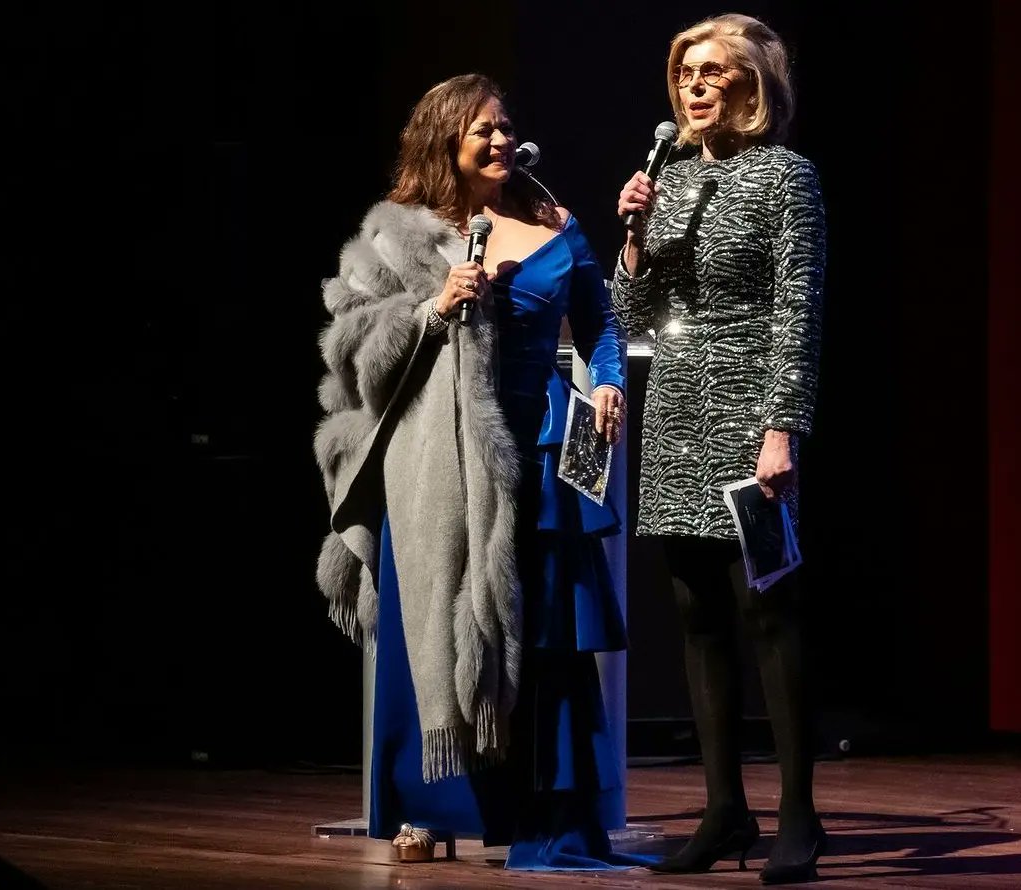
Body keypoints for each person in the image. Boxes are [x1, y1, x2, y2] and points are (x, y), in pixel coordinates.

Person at [313, 73, 648, 871]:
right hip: (437, 463)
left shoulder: (553, 223)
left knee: (537, 637)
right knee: (433, 622)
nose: (501, 142)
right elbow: (350, 354)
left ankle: (540, 810)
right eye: (481, 132)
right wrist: (434, 308)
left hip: (537, 453)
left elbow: (601, 327)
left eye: (505, 127)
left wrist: (606, 381)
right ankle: (426, 806)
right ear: (444, 147)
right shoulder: (398, 238)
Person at [612, 13, 827, 885]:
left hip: (748, 426)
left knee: (767, 616)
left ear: (752, 87)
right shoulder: (663, 181)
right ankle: (723, 811)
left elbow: (798, 310)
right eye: (684, 74)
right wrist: (631, 237)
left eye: (712, 72)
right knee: (697, 620)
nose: (693, 86)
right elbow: (631, 326)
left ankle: (800, 818)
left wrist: (784, 427)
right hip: (673, 422)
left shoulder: (785, 179)